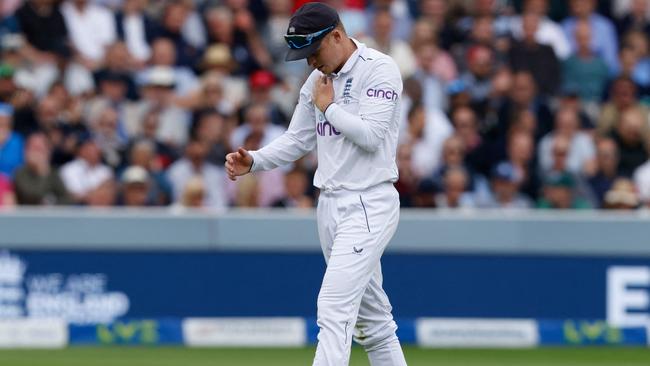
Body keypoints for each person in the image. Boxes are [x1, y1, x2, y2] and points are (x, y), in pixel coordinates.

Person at [225, 3, 407, 366]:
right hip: (330, 205)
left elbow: (371, 136)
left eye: (314, 52)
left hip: (369, 203)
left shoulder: (380, 69)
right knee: (373, 325)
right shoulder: (318, 81)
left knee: (333, 307)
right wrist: (255, 161)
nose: (310, 63)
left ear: (337, 35)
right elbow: (297, 139)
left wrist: (329, 108)